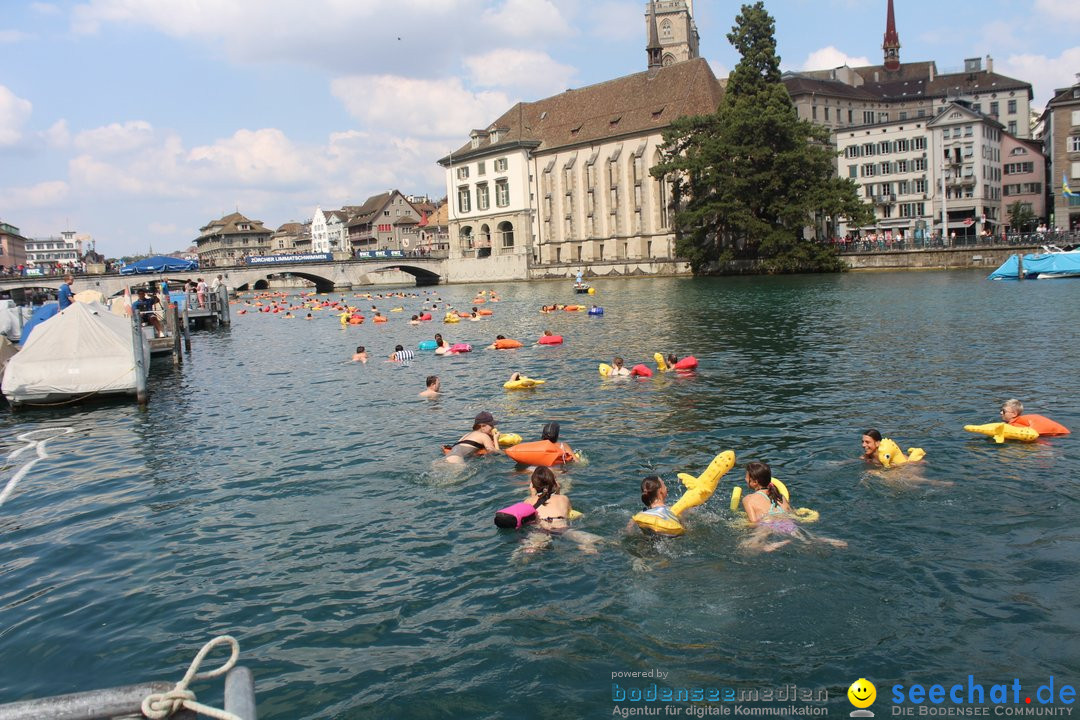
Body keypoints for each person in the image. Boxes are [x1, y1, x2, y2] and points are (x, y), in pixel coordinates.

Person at [741, 461, 846, 552]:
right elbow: (791, 513)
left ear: (755, 482)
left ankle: (767, 546)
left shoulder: (748, 499)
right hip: (789, 524)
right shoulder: (780, 496)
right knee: (809, 539)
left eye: (746, 477)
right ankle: (827, 540)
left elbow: (753, 523)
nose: (745, 479)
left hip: (768, 525)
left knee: (747, 548)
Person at [999, 399, 1071, 435]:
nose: (1001, 413)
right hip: (1064, 433)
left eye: (1004, 411)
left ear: (1014, 414)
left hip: (1056, 436)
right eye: (1001, 410)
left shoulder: (1015, 423)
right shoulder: (1024, 419)